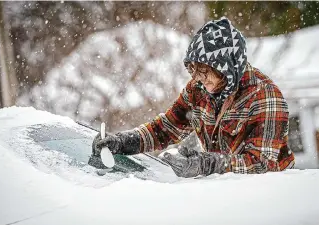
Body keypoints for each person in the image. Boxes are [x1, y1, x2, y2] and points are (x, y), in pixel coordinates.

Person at [92, 17, 295, 178]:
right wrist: (125, 142)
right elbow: (165, 128)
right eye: (193, 69)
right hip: (224, 191)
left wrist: (206, 163)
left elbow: (262, 165)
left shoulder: (264, 96)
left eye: (204, 70)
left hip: (268, 195)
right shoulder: (198, 89)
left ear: (226, 68)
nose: (197, 78)